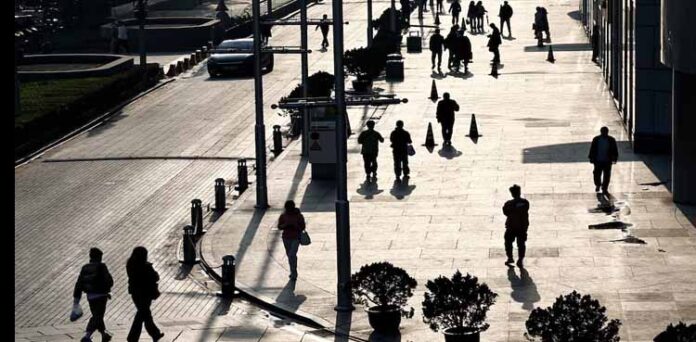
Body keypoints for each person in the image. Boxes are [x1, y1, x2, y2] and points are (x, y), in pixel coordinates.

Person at [73, 248, 114, 342]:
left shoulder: (85, 267)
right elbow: (109, 281)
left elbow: (79, 283)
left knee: (97, 315)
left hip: (90, 296)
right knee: (97, 316)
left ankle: (104, 335)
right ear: (99, 257)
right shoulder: (102, 266)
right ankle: (87, 336)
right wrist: (107, 290)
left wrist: (76, 299)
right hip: (101, 296)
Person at [126, 247, 164, 342]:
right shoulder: (146, 266)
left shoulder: (130, 265)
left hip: (135, 293)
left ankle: (155, 334)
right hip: (146, 293)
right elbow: (155, 277)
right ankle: (133, 338)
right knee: (142, 315)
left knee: (144, 313)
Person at [277, 200, 306, 280]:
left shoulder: (298, 216)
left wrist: (296, 226)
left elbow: (303, 227)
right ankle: (293, 271)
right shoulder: (283, 216)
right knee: (290, 256)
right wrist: (285, 225)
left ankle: (294, 273)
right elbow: (279, 226)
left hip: (295, 238)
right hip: (286, 238)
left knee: (291, 255)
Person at [502, 185, 530, 267]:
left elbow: (505, 212)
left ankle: (510, 257)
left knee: (508, 242)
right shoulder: (525, 202)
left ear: (512, 194)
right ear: (519, 192)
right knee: (521, 244)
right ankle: (520, 260)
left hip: (511, 226)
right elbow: (526, 209)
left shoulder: (508, 204)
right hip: (522, 227)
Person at [588, 127, 619, 194]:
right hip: (598, 160)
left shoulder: (611, 140)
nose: (604, 133)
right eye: (603, 131)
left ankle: (604, 188)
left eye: (605, 132)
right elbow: (592, 149)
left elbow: (615, 149)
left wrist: (615, 158)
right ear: (601, 132)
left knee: (607, 175)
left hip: (607, 160)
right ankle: (598, 184)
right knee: (596, 174)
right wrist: (591, 157)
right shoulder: (596, 139)